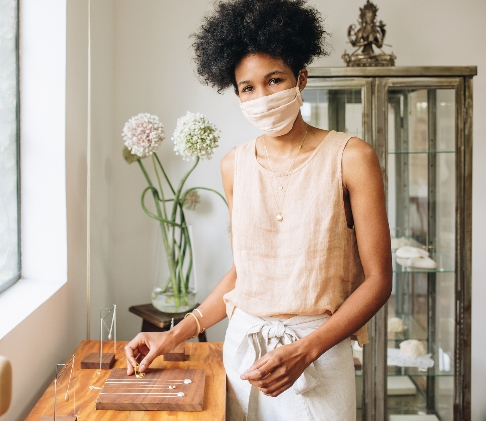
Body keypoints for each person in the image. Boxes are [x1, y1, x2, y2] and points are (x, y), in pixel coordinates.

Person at [124, 1, 392, 419]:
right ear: (237, 94)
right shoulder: (233, 165)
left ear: (300, 78)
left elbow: (378, 280)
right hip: (244, 357)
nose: (262, 96)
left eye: (274, 80)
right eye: (248, 88)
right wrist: (172, 337)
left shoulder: (351, 157)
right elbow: (243, 274)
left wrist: (306, 350)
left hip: (317, 359)